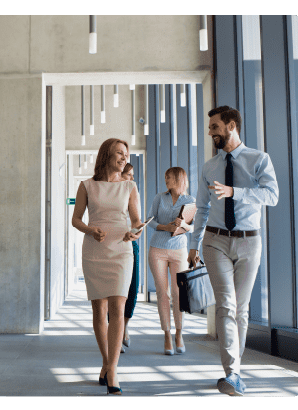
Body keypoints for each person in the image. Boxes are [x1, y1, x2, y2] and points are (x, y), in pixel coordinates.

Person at [188, 106, 278, 396]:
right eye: (210, 127)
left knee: (241, 309)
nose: (211, 132)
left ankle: (234, 369)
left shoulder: (258, 159)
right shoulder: (208, 167)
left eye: (215, 126)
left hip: (249, 241)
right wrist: (193, 245)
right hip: (215, 241)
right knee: (225, 305)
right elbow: (201, 209)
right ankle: (233, 373)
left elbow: (272, 195)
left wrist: (235, 192)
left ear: (231, 125)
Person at [72, 138, 144, 395]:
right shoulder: (87, 185)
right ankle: (105, 362)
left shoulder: (130, 187)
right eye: (119, 153)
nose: (124, 158)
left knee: (118, 306)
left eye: (126, 154)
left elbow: (136, 221)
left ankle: (112, 368)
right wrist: (91, 230)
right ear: (106, 155)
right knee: (99, 309)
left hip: (122, 252)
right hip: (95, 250)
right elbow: (76, 219)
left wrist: (135, 232)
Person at [147, 167, 195, 355]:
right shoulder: (160, 197)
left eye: (169, 177)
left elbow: (193, 228)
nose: (166, 179)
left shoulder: (190, 201)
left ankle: (179, 334)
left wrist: (183, 225)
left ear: (179, 178)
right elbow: (150, 220)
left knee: (178, 293)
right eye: (165, 176)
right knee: (162, 293)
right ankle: (167, 334)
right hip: (157, 249)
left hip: (179, 251)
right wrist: (163, 226)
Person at [120, 163, 139, 348]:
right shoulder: (112, 193)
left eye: (133, 175)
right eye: (128, 175)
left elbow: (137, 220)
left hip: (131, 243)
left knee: (132, 290)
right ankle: (116, 331)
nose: (132, 179)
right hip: (113, 245)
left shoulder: (132, 191)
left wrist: (137, 230)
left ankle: (124, 327)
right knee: (116, 292)